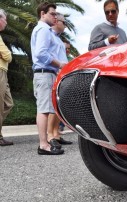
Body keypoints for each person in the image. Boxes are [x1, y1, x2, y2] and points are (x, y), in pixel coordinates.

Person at [30, 2, 66, 155]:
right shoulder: (44, 29)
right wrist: (59, 63)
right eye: (52, 13)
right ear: (42, 14)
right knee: (44, 110)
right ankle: (43, 145)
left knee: (45, 109)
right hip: (44, 73)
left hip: (45, 73)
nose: (55, 16)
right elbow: (41, 53)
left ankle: (44, 143)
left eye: (56, 14)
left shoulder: (45, 30)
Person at [47, 12, 72, 147]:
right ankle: (50, 135)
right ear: (57, 22)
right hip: (54, 72)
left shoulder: (57, 38)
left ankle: (56, 133)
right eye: (64, 23)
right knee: (52, 106)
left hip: (59, 73)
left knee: (57, 106)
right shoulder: (49, 34)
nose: (65, 26)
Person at [0, 9, 14, 146]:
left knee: (8, 104)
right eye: (5, 19)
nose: (6, 22)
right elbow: (8, 56)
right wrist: (6, 54)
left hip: (3, 71)